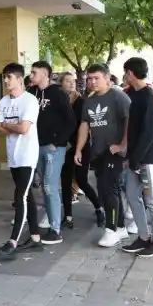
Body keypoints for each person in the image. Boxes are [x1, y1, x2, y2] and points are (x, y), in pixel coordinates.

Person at [75, 63, 130, 248]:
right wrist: (78, 149)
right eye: (89, 79)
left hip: (113, 152)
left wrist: (122, 145)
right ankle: (120, 227)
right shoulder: (89, 100)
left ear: (107, 78)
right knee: (107, 188)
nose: (92, 82)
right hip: (97, 151)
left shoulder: (118, 96)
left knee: (108, 190)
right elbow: (84, 125)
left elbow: (129, 121)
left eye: (96, 78)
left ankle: (111, 229)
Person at [0, 63, 42, 260]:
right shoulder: (3, 101)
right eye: (4, 77)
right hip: (13, 156)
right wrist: (12, 125)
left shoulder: (30, 100)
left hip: (27, 156)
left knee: (20, 196)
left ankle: (13, 241)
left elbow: (24, 129)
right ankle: (35, 238)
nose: (6, 81)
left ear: (20, 79)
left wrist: (7, 125)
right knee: (27, 196)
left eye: (9, 77)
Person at [119, 58, 153, 258]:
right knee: (132, 196)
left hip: (149, 157)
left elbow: (149, 132)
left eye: (125, 72)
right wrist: (130, 156)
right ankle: (143, 236)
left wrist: (136, 158)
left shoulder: (148, 95)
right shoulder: (132, 94)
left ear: (130, 73)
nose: (124, 76)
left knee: (152, 199)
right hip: (135, 157)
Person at [28, 60, 76, 244]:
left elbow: (71, 121)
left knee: (49, 186)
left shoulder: (58, 94)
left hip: (53, 148)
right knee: (44, 187)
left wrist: (57, 142)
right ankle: (50, 221)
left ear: (45, 74)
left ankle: (55, 229)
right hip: (36, 146)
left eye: (34, 72)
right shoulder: (31, 92)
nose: (31, 75)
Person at [58, 72, 101, 229]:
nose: (71, 83)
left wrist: (76, 145)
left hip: (81, 146)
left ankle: (98, 207)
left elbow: (82, 126)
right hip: (64, 147)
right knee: (65, 181)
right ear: (61, 83)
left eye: (73, 81)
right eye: (67, 81)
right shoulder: (59, 100)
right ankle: (68, 216)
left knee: (82, 180)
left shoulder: (81, 102)